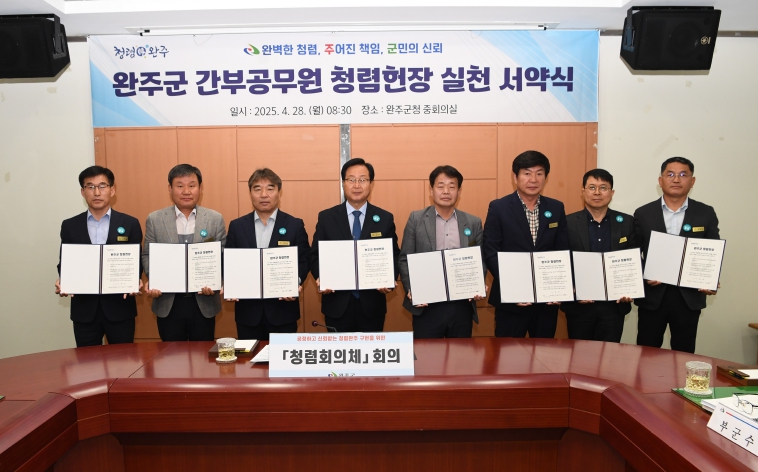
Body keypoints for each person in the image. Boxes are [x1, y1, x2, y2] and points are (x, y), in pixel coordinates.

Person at [634, 157, 719, 353]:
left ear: (692, 181)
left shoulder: (705, 213)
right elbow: (634, 252)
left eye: (683, 175)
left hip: (688, 298)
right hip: (653, 297)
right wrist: (645, 275)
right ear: (660, 180)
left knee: (684, 353)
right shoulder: (643, 213)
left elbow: (712, 250)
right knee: (646, 353)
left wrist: (710, 278)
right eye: (670, 174)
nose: (676, 179)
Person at [482, 150, 569, 338]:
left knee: (544, 352)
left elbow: (562, 250)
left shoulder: (556, 208)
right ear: (515, 177)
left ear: (546, 177)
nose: (533, 179)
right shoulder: (499, 207)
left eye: (539, 173)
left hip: (546, 301)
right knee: (508, 353)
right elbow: (490, 251)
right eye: (527, 173)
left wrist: (559, 286)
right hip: (511, 301)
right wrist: (514, 287)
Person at [309, 158, 400, 332]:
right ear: (343, 183)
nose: (357, 185)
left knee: (371, 349)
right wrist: (322, 277)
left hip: (372, 304)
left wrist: (389, 279)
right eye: (351, 179)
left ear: (371, 184)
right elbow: (315, 255)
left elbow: (394, 254)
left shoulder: (384, 218)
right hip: (336, 303)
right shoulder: (327, 217)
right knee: (339, 350)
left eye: (363, 180)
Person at [55, 166, 143, 347]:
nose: (97, 192)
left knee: (123, 360)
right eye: (90, 186)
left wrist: (136, 279)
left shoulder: (130, 223)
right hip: (84, 310)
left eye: (102, 186)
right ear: (82, 191)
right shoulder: (70, 225)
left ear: (112, 190)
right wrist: (63, 279)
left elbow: (136, 262)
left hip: (120, 308)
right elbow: (65, 261)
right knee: (87, 362)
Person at [398, 165, 485, 338]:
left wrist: (478, 283)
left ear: (459, 191)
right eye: (440, 186)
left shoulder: (473, 222)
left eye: (452, 186)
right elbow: (404, 259)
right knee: (426, 353)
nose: (446, 191)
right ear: (431, 190)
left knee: (460, 353)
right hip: (427, 304)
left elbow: (480, 260)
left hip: (461, 304)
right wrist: (413, 289)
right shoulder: (416, 219)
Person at [142, 164, 227, 342]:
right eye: (180, 186)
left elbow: (222, 256)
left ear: (200, 188)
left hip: (204, 302)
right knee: (170, 356)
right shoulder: (155, 219)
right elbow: (147, 255)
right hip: (168, 302)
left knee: (202, 355)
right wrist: (155, 279)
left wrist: (216, 281)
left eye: (192, 185)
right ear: (170, 188)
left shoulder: (215, 219)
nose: (186, 191)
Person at [225, 168, 310, 340]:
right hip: (247, 313)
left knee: (283, 356)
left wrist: (295, 282)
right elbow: (228, 262)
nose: (264, 194)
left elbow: (304, 260)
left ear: (279, 192)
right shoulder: (237, 226)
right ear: (250, 193)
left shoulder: (294, 225)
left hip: (283, 311)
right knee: (250, 357)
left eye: (270, 189)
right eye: (257, 189)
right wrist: (229, 284)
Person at [562, 169, 636, 342]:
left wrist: (630, 288)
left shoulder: (627, 222)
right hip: (579, 305)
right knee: (579, 355)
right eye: (592, 187)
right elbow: (562, 261)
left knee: (609, 355)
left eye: (603, 188)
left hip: (614, 305)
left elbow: (634, 259)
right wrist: (572, 290)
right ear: (583, 191)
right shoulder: (567, 223)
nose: (597, 192)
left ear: (612, 192)